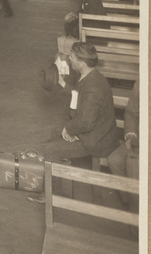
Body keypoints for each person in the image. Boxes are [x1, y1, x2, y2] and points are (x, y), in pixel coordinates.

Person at [27, 42, 118, 204]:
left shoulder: (93, 88)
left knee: (51, 149)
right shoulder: (90, 76)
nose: (69, 59)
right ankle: (56, 176)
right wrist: (62, 84)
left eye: (72, 57)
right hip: (95, 132)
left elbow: (86, 122)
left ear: (81, 63)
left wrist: (69, 130)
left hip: (96, 140)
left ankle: (50, 194)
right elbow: (77, 94)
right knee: (56, 133)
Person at [107, 79, 139, 207]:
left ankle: (138, 206)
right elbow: (131, 113)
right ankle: (131, 204)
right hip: (139, 137)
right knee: (114, 159)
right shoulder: (141, 83)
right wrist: (131, 135)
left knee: (134, 163)